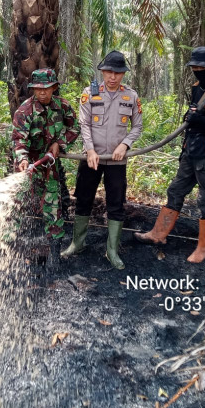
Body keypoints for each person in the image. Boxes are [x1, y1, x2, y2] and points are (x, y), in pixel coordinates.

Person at [134, 46, 205, 263]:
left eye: (202, 67)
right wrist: (189, 117)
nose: (198, 70)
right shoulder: (196, 86)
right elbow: (193, 111)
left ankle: (204, 247)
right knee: (175, 190)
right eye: (195, 67)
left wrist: (202, 121)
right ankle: (158, 234)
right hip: (190, 149)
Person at [62, 51, 142, 270]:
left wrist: (125, 144)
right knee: (84, 198)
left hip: (117, 160)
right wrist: (89, 150)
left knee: (116, 203)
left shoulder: (131, 96)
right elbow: (84, 124)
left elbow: (137, 126)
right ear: (102, 72)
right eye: (108, 72)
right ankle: (77, 243)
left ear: (123, 74)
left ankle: (112, 250)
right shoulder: (90, 94)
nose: (112, 77)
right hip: (92, 158)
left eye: (117, 73)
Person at [12, 68, 80, 268]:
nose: (42, 92)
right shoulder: (24, 112)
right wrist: (23, 160)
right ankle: (9, 248)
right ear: (33, 89)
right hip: (28, 168)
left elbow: (74, 128)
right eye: (38, 89)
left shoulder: (63, 107)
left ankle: (54, 255)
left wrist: (59, 143)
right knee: (16, 207)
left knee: (53, 208)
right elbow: (19, 140)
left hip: (50, 167)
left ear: (54, 87)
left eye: (47, 88)